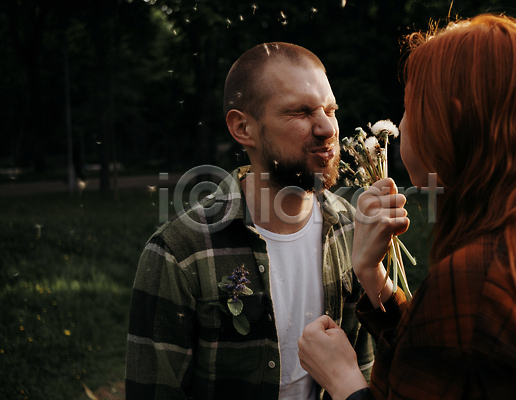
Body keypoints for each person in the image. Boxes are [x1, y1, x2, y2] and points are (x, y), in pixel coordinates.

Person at [298, 14, 516, 399]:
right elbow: (460, 363)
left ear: (452, 120)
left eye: (408, 107)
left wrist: (343, 378)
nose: (403, 126)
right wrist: (373, 277)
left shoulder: (479, 277)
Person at [125, 42, 373, 400]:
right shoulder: (179, 252)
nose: (326, 128)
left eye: (330, 110)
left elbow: (366, 371)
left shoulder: (352, 230)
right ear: (243, 128)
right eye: (301, 112)